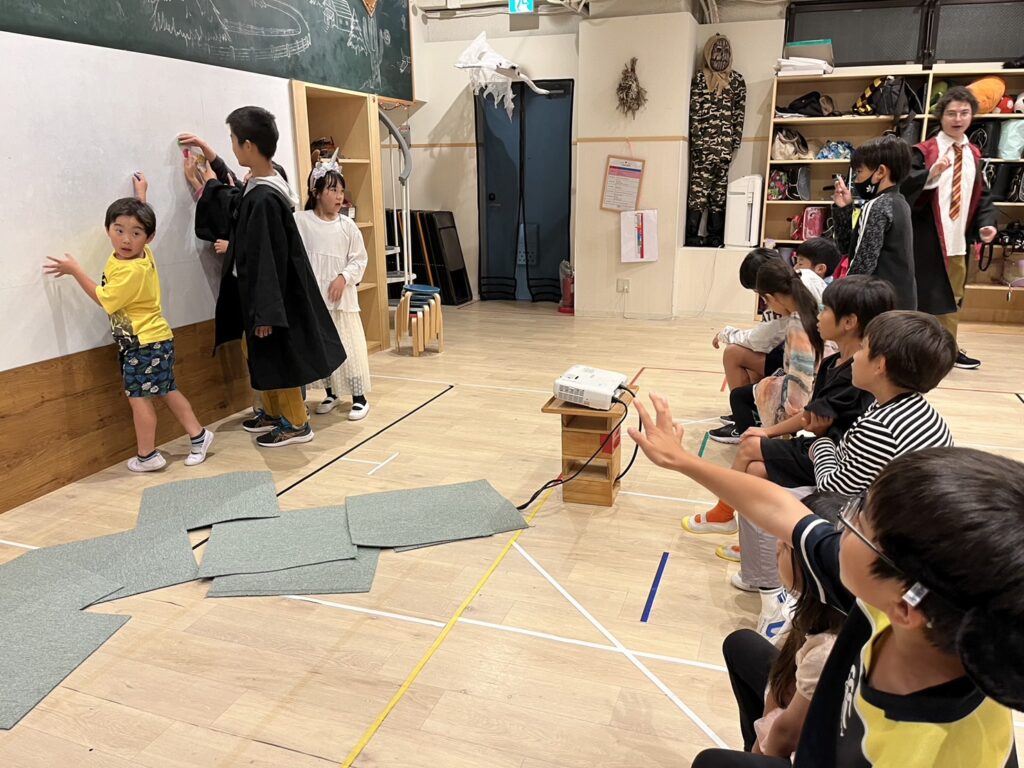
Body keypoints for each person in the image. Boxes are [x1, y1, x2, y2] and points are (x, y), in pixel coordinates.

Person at [630, 400, 1023, 767]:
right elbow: (778, 509)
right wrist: (681, 460)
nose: (839, 524)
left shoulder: (916, 750)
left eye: (856, 519)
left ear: (907, 607)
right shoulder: (909, 601)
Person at [690, 277, 894, 635]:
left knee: (751, 456)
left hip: (826, 457)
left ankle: (740, 538)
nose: (819, 314)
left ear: (849, 322)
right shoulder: (836, 362)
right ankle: (757, 567)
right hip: (821, 447)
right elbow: (814, 416)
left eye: (827, 309)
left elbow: (817, 426)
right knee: (753, 468)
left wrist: (771, 431)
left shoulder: (857, 375)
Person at [190, 107, 346, 447]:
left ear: (247, 146)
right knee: (260, 353)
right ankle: (274, 413)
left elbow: (266, 259)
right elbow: (235, 196)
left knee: (279, 357)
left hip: (272, 299)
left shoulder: (264, 199)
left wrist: (266, 313)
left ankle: (296, 423)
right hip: (264, 296)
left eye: (233, 141)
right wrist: (211, 168)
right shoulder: (267, 182)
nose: (232, 146)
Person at [43, 176, 213, 471]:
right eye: (119, 230)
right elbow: (140, 222)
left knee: (139, 399)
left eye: (135, 234)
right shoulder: (142, 252)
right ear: (108, 228)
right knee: (167, 389)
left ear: (148, 238)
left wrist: (75, 271)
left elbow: (103, 298)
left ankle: (147, 456)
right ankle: (198, 436)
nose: (125, 239)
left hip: (143, 344)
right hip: (155, 340)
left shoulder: (131, 270)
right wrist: (140, 195)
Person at [724, 492, 847, 758]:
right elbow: (781, 682)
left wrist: (758, 757)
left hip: (811, 746)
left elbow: (785, 735)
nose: (777, 545)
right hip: (797, 701)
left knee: (711, 760)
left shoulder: (827, 649)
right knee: (741, 644)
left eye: (787, 543)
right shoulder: (815, 608)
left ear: (816, 568)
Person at [808, 310, 955, 495]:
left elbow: (831, 490)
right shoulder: (915, 408)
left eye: (862, 348)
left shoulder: (880, 428)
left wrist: (821, 443)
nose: (855, 356)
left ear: (880, 365)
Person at [902, 86, 998, 369]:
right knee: (922, 297)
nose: (958, 119)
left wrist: (986, 224)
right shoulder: (923, 152)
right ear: (941, 116)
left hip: (958, 239)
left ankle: (947, 351)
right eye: (951, 113)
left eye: (964, 113)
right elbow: (903, 191)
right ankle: (916, 350)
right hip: (926, 238)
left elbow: (982, 195)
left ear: (972, 116)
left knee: (953, 298)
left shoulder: (974, 154)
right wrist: (929, 176)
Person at [709, 260, 824, 445]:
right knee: (752, 387)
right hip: (817, 385)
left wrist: (775, 427)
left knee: (739, 396)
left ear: (771, 297)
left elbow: (798, 394)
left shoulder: (797, 325)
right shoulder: (809, 299)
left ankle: (755, 443)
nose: (767, 307)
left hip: (807, 397)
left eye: (765, 301)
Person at [295, 162, 372, 420]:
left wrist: (343, 277)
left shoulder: (347, 225)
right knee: (323, 348)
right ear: (316, 192)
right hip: (315, 301)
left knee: (351, 348)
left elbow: (359, 259)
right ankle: (332, 393)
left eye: (341, 190)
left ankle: (359, 397)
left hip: (342, 301)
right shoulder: (300, 221)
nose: (339, 196)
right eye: (332, 190)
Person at [832, 134, 918, 311]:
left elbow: (862, 264)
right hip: (901, 301)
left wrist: (841, 301)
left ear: (880, 172)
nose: (856, 180)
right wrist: (844, 209)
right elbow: (848, 247)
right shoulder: (900, 202)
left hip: (879, 304)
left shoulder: (877, 205)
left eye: (859, 172)